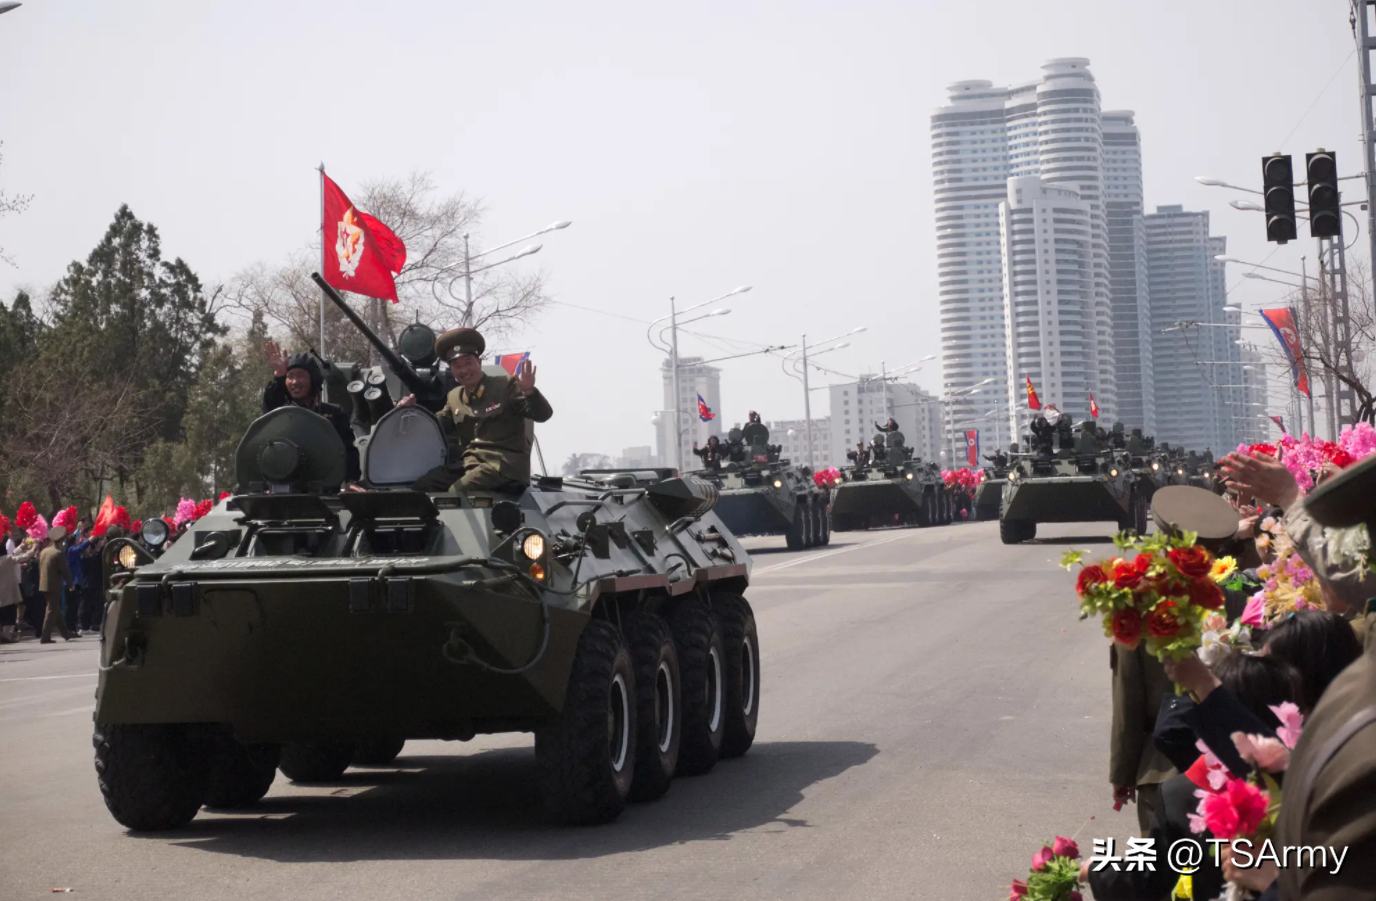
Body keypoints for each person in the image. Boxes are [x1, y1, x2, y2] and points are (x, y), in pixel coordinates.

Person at [401, 327, 553, 493]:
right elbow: (437, 426)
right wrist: (410, 411)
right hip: (470, 463)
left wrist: (530, 392)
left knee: (457, 491)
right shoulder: (454, 397)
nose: (464, 370)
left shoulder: (505, 385)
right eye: (457, 366)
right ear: (452, 370)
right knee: (422, 486)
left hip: (504, 464)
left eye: (468, 363)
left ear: (479, 363)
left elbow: (542, 415)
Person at [262, 341, 360, 483]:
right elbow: (270, 406)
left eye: (300, 375)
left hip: (324, 486)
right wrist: (279, 375)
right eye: (290, 376)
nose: (294, 381)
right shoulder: (282, 414)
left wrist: (351, 480)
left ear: (313, 379)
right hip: (286, 485)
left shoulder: (334, 414)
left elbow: (347, 451)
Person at [38, 527, 76, 643]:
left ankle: (66, 634)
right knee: (51, 610)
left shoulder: (44, 551)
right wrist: (70, 584)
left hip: (43, 584)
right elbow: (64, 570)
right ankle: (45, 636)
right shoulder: (58, 553)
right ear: (60, 540)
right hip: (53, 585)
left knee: (55, 609)